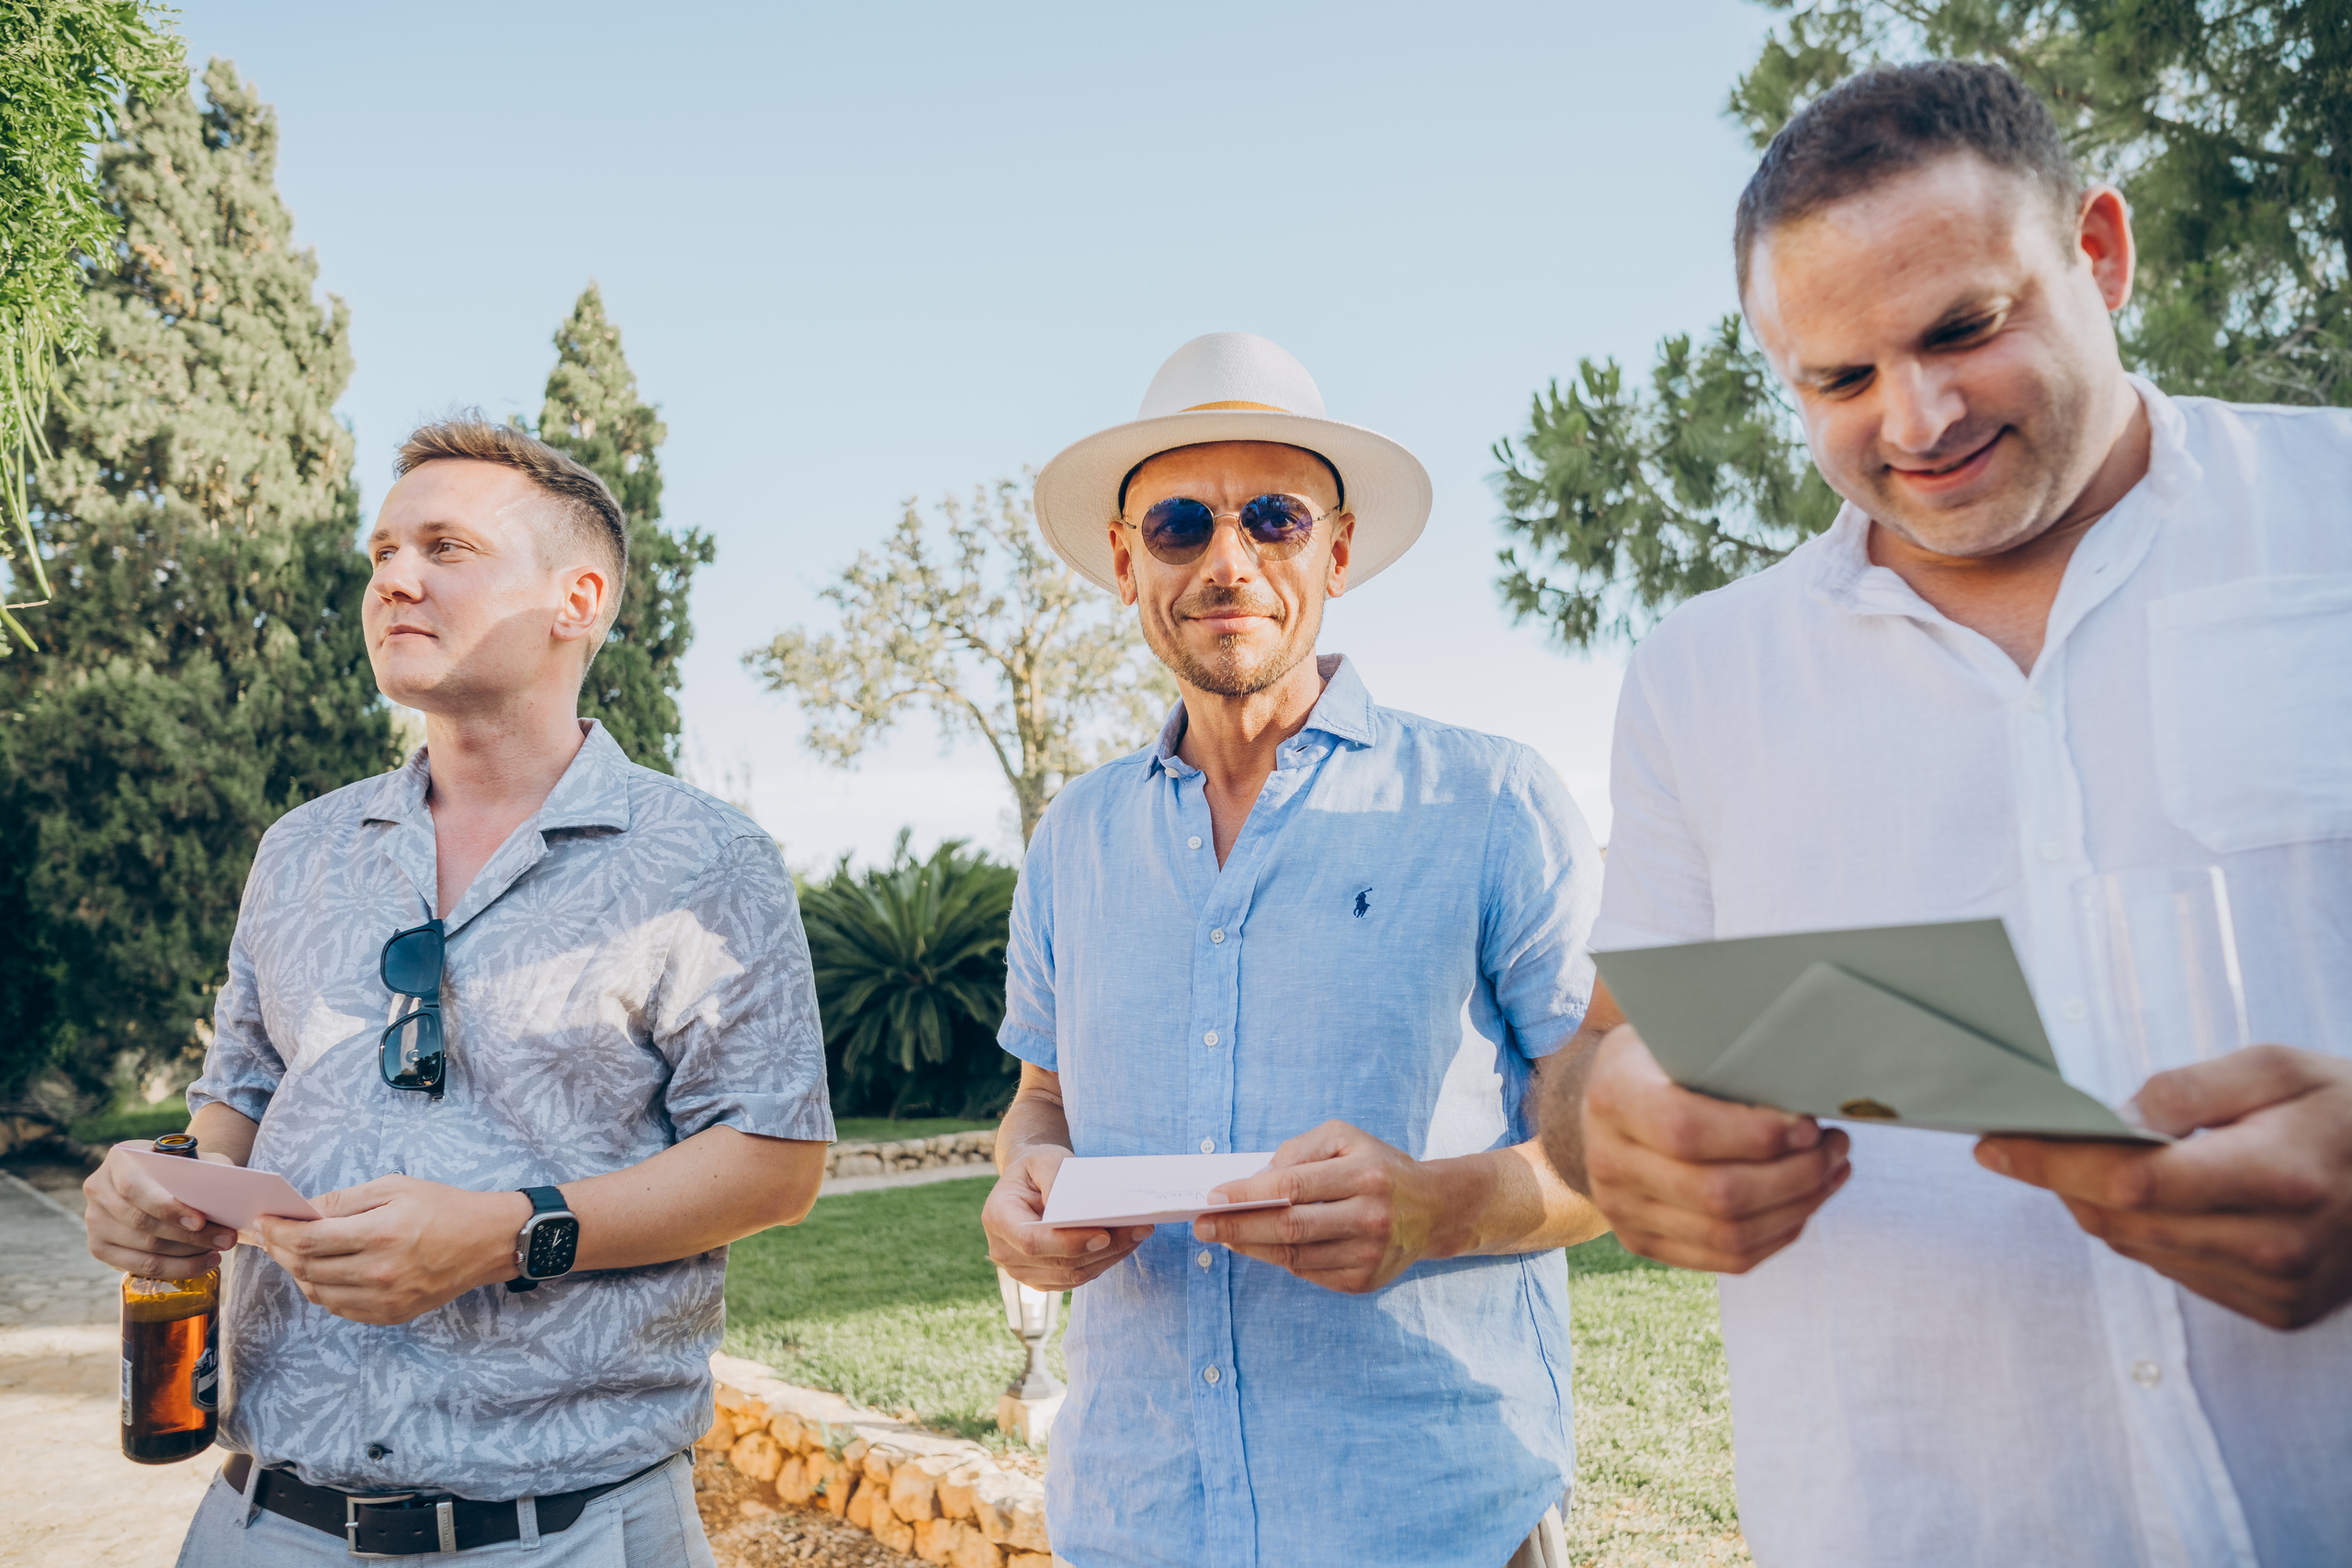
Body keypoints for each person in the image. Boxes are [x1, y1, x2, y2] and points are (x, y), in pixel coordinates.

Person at [1539, 62, 2352, 1566]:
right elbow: (1594, 1055)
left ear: (2100, 253)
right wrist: (1617, 1131)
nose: (1915, 418)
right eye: (1837, 381)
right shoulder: (1697, 679)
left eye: (1963, 329)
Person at [81, 420, 833, 1564]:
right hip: (264, 1518)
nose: (393, 579)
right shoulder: (301, 848)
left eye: (445, 547)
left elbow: (775, 1159)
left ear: (575, 600)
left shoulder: (706, 859)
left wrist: (507, 1234)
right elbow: (241, 1079)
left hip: (565, 1530)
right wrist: (171, 1184)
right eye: (380, 552)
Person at [982, 332, 1610, 1568]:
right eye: (1179, 524)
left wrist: (1436, 1207)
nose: (1229, 561)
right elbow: (1039, 1100)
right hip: (1133, 1519)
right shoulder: (1074, 839)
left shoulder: (1493, 802)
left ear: (1337, 548)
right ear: (1124, 559)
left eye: (1272, 517)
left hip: (1432, 1526)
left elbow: (1625, 1151)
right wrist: (1023, 1191)